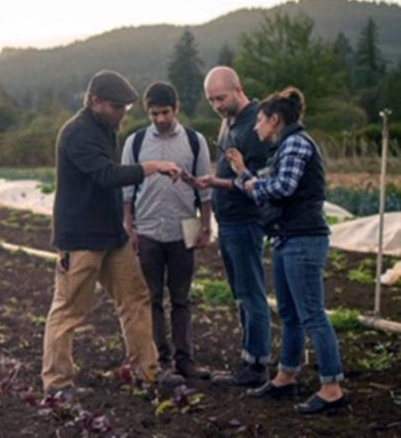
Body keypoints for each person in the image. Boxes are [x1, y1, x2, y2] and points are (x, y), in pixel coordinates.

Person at [43, 70, 185, 402]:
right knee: (68, 309)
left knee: (135, 297)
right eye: (117, 106)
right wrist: (154, 166)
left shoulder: (105, 129)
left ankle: (147, 370)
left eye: (125, 108)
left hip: (111, 235)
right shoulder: (78, 133)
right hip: (80, 238)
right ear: (95, 102)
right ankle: (56, 383)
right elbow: (107, 176)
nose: (123, 113)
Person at [226, 87, 346, 415]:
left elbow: (281, 188)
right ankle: (285, 378)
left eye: (261, 120)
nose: (255, 126)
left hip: (303, 239)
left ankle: (332, 387)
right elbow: (262, 185)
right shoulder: (283, 146)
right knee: (290, 315)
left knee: (312, 315)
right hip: (285, 238)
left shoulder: (295, 143)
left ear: (275, 120)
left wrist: (249, 184)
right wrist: (241, 174)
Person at [121, 82, 212, 380]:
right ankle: (159, 358)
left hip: (184, 226)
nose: (159, 119)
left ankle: (185, 360)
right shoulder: (135, 143)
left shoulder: (194, 141)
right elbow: (126, 191)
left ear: (177, 108)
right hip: (147, 228)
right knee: (152, 297)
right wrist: (129, 227)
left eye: (165, 112)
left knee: (182, 298)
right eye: (153, 114)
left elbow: (204, 190)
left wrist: (205, 226)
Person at [195, 67, 273, 387]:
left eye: (221, 98)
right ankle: (248, 358)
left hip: (244, 222)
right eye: (211, 100)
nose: (217, 104)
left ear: (238, 89)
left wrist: (217, 182)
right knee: (240, 293)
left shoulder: (256, 125)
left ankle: (257, 365)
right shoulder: (228, 122)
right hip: (228, 221)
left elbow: (257, 181)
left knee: (251, 293)